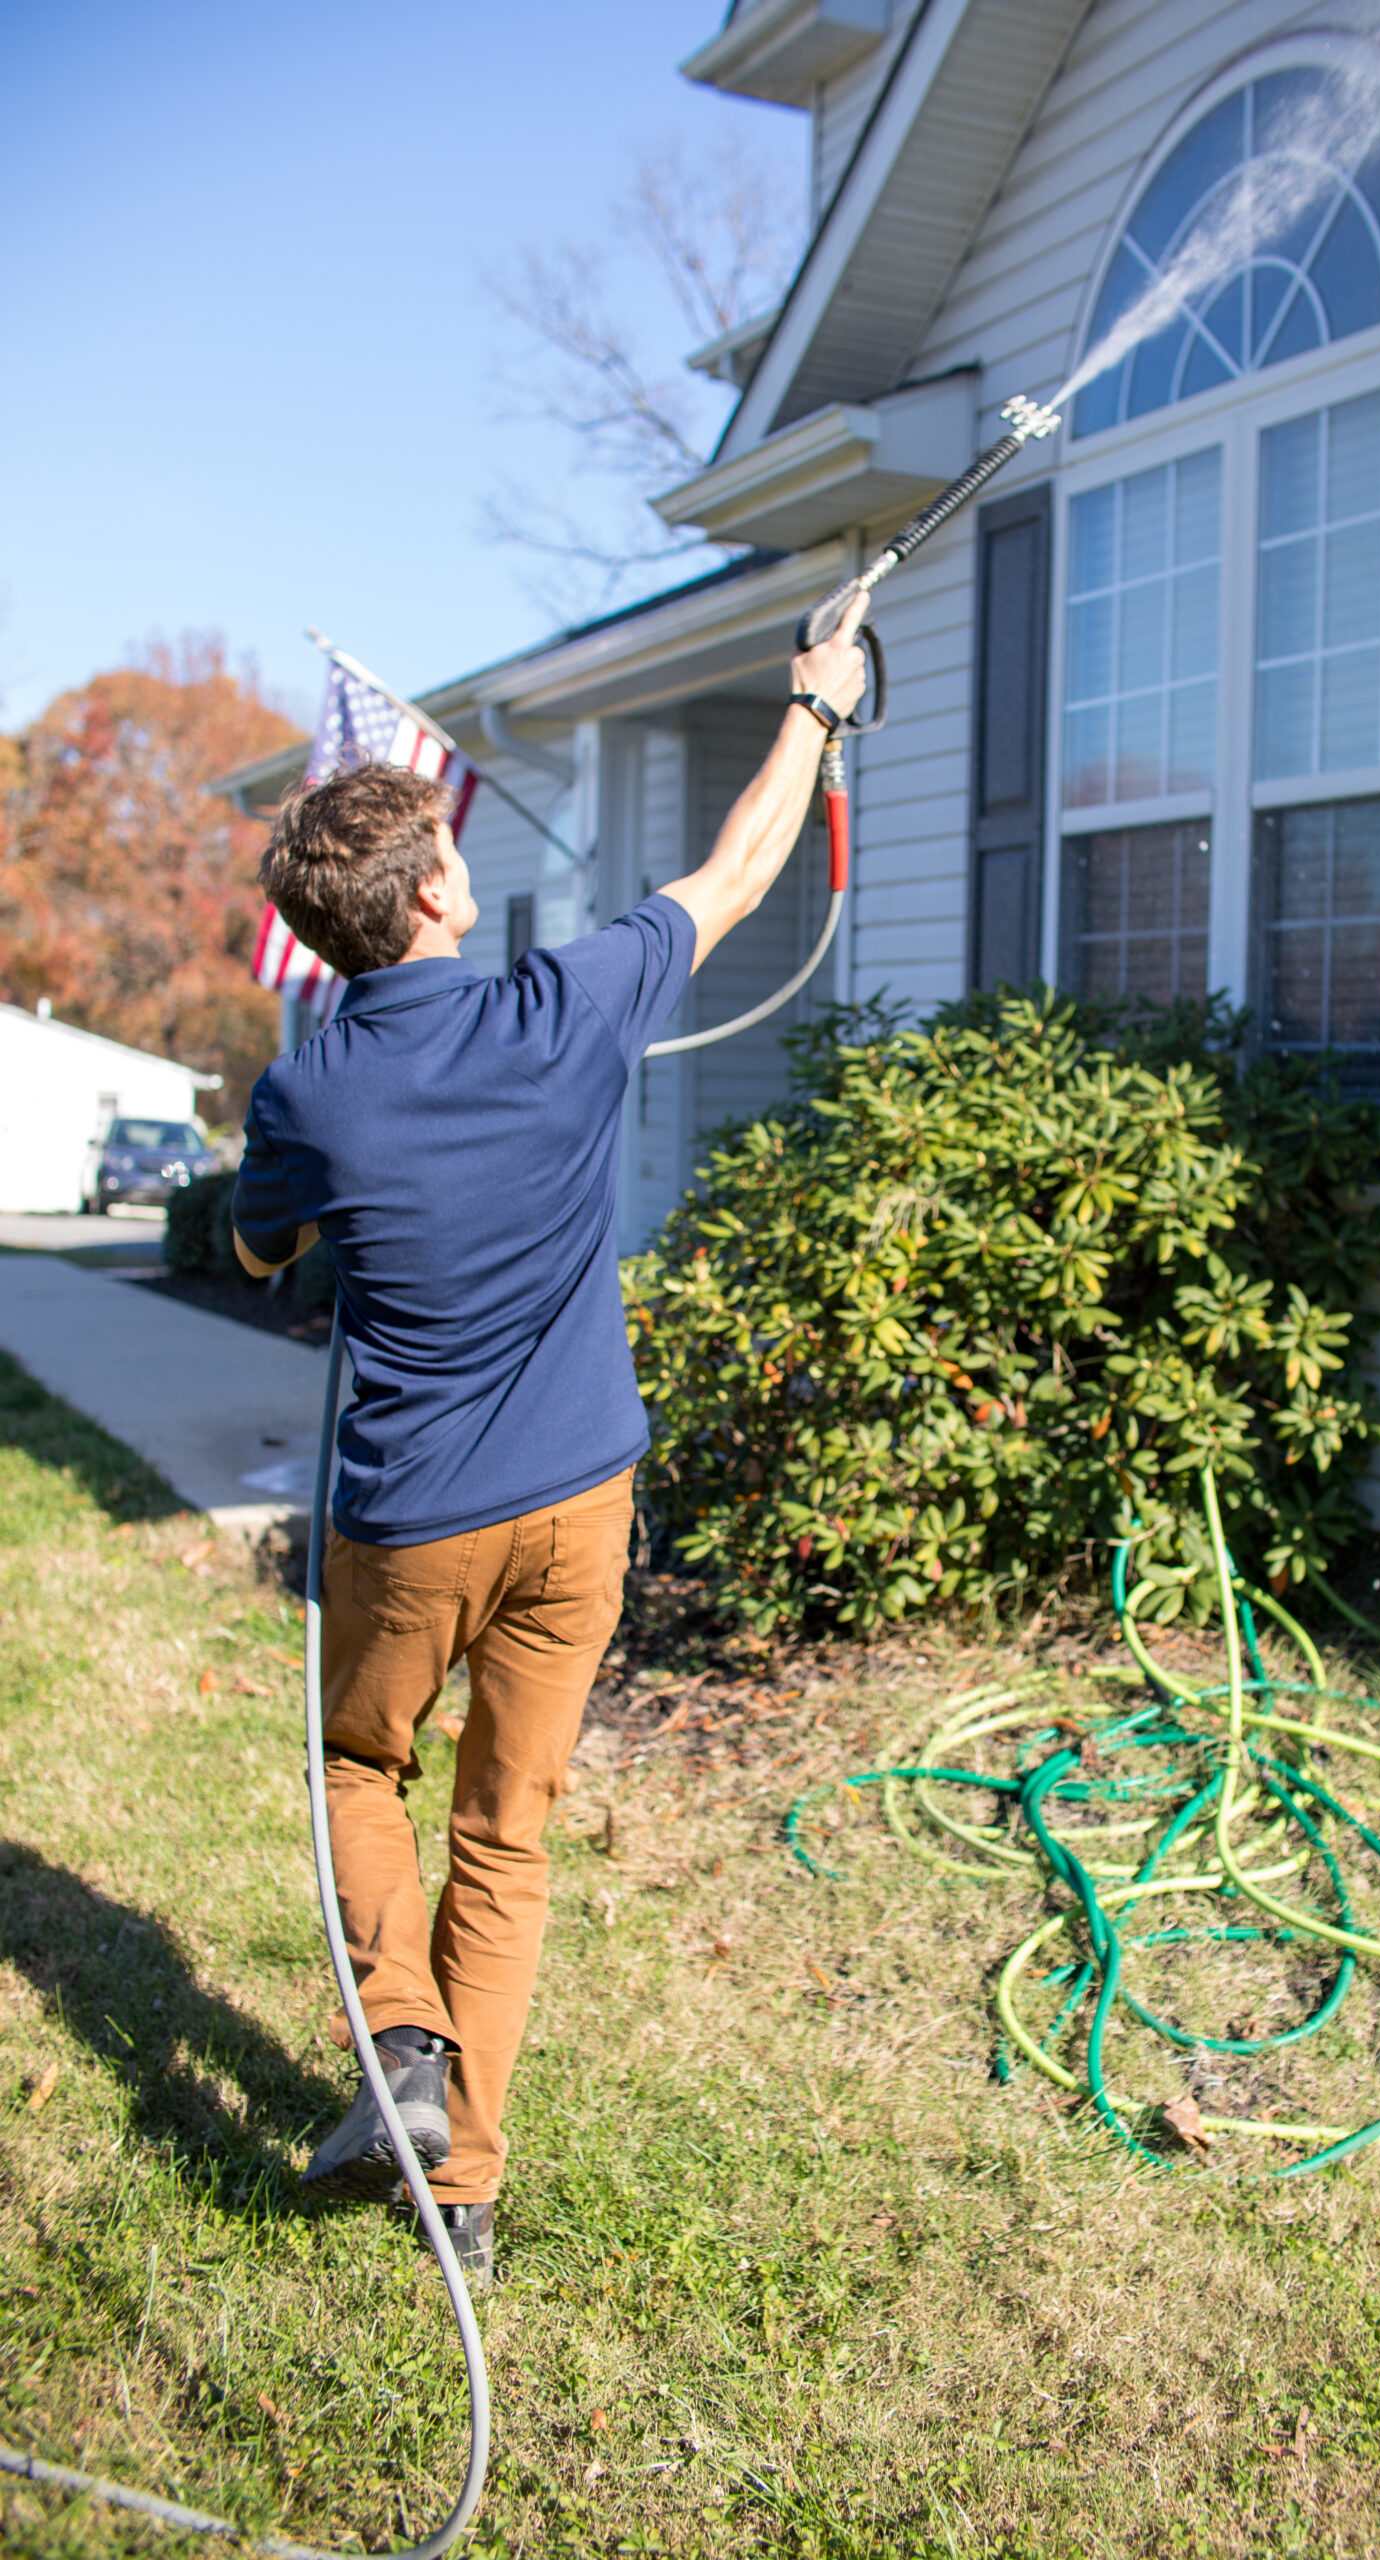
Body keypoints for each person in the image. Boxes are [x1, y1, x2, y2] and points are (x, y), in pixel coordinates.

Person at [231, 603, 867, 2289]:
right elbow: (738, 873)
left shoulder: (305, 1093)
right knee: (502, 1838)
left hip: (410, 1523)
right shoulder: (564, 1005)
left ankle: (406, 2055)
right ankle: (468, 2202)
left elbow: (255, 1251)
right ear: (435, 897)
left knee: (359, 1773)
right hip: (582, 1502)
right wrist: (815, 702)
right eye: (446, 848)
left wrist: (299, 1225)